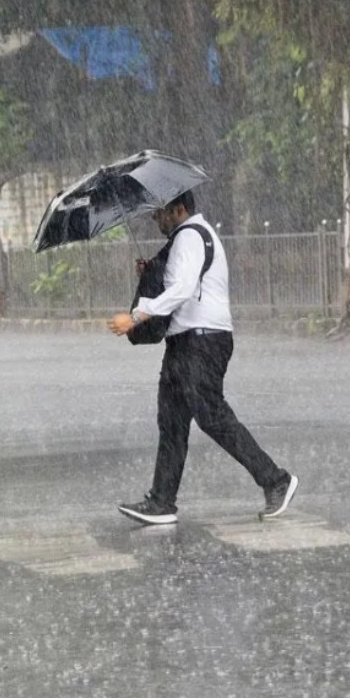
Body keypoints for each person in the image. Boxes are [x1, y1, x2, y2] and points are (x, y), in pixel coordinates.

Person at [107, 190, 297, 525]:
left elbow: (181, 290)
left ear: (179, 210)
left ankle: (276, 480)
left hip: (203, 342)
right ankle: (162, 502)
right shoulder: (188, 237)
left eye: (160, 212)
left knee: (213, 417)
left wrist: (136, 316)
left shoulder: (191, 237)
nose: (155, 219)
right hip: (185, 342)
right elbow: (181, 284)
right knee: (172, 423)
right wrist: (152, 273)